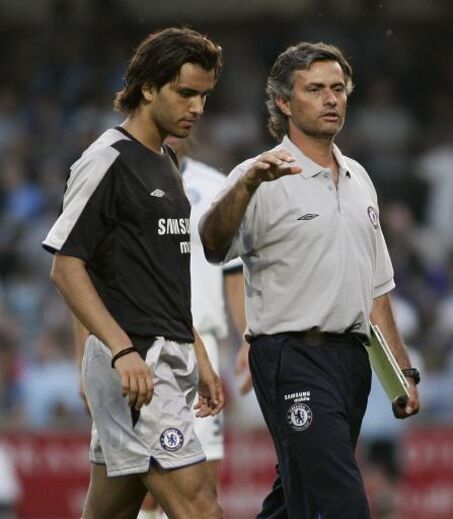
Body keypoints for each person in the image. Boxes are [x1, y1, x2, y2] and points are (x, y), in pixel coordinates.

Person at [199, 41, 421, 518]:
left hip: (352, 360)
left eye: (338, 88)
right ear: (283, 101)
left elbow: (377, 288)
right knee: (341, 502)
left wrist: (402, 373)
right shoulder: (257, 175)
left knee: (295, 495)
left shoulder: (360, 178)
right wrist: (245, 187)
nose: (331, 99)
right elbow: (213, 246)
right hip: (292, 356)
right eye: (315, 89)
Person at [42, 27, 224, 519]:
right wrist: (122, 351)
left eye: (204, 96)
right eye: (185, 93)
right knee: (200, 505)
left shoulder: (165, 158)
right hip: (137, 363)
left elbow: (161, 278)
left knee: (112, 510)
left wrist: (198, 352)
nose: (197, 108)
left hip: (165, 354)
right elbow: (66, 267)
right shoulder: (106, 161)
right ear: (147, 88)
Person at [138, 136, 246, 519]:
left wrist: (247, 339)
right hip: (143, 344)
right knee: (145, 485)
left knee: (204, 481)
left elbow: (234, 272)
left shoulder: (217, 187)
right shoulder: (123, 177)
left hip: (204, 343)